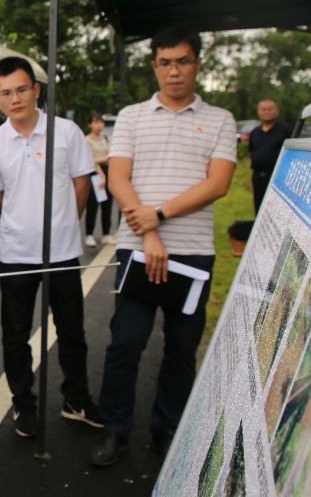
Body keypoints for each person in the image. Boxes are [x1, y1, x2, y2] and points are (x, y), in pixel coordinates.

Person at [88, 26, 236, 468]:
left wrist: (162, 215)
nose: (174, 71)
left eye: (183, 61)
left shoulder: (220, 119)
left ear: (197, 64)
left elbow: (219, 183)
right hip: (138, 248)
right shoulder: (132, 115)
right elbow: (118, 178)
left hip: (192, 253)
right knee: (125, 343)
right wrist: (149, 230)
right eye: (166, 62)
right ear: (154, 65)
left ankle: (167, 429)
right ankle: (115, 429)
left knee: (181, 347)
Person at [0, 57, 102, 439]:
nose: (14, 99)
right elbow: (0, 196)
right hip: (16, 253)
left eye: (21, 89)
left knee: (71, 331)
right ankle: (23, 404)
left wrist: (66, 221)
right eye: (5, 93)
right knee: (14, 335)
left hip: (63, 252)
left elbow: (81, 183)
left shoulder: (66, 133)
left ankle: (76, 399)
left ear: (36, 89)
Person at [248, 99, 292, 215]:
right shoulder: (255, 132)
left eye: (270, 109)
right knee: (259, 209)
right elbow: (252, 151)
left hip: (278, 178)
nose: (267, 112)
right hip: (258, 178)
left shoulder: (286, 130)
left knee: (276, 211)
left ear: (277, 111)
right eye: (263, 109)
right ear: (259, 112)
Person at [84, 114, 115, 246]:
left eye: (101, 122)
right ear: (90, 125)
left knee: (107, 204)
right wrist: (102, 173)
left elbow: (113, 156)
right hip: (94, 173)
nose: (99, 125)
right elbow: (90, 160)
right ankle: (89, 234)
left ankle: (106, 234)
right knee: (93, 205)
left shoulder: (108, 139)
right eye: (96, 122)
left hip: (108, 172)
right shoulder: (87, 140)